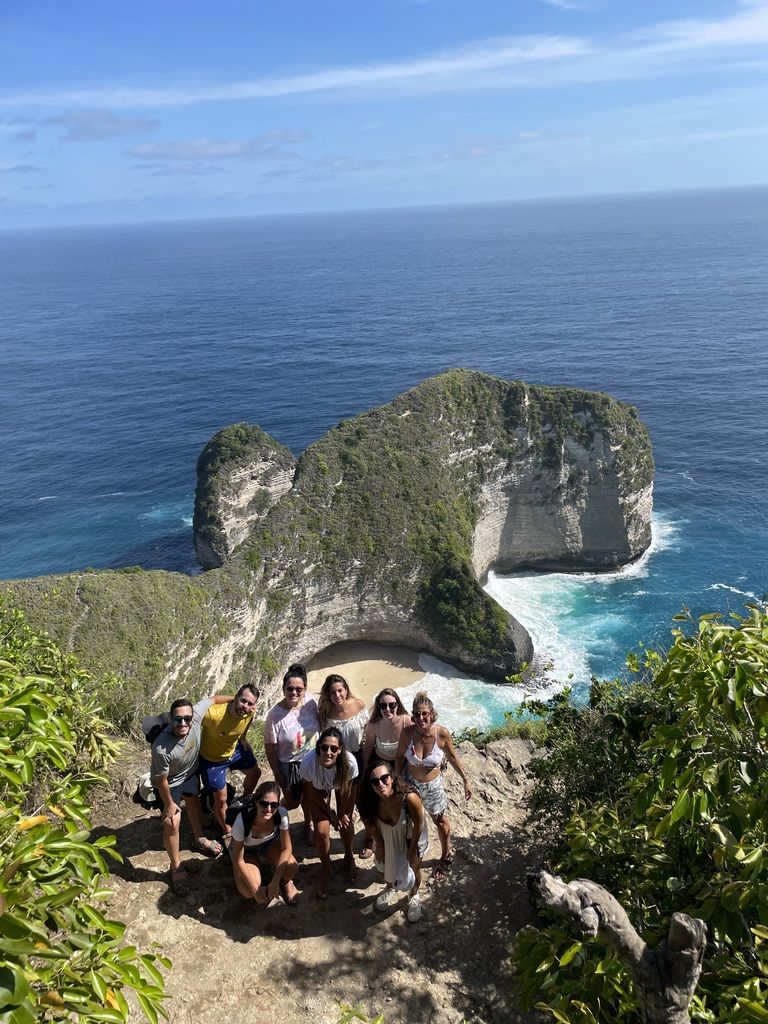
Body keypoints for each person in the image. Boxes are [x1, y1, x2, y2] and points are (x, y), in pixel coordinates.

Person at [394, 691, 472, 882]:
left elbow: (452, 757)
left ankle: (446, 856)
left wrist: (465, 780)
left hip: (432, 787)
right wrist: (397, 779)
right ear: (413, 715)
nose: (421, 718)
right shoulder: (407, 733)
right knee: (410, 821)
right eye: (417, 714)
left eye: (425, 714)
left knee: (440, 821)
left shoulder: (441, 733)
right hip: (410, 783)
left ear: (432, 714)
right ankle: (412, 854)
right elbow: (399, 757)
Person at [150, 696, 224, 894]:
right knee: (171, 822)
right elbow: (161, 780)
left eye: (187, 719)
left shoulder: (196, 715)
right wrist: (169, 804)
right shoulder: (161, 747)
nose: (183, 723)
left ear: (193, 717)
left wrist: (239, 699)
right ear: (171, 719)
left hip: (190, 773)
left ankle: (198, 838)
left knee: (193, 802)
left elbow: (214, 699)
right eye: (177, 719)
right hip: (170, 782)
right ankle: (175, 866)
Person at [359, 758, 428, 922]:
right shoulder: (371, 801)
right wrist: (380, 845)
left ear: (392, 777)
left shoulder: (409, 798)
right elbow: (369, 821)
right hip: (387, 836)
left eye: (384, 778)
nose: (381, 784)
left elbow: (419, 824)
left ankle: (414, 895)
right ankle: (391, 887)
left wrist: (412, 851)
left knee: (413, 868)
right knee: (382, 865)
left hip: (411, 837)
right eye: (375, 781)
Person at [197, 683, 262, 844]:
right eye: (242, 700)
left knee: (255, 773)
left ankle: (243, 802)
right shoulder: (213, 715)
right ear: (236, 697)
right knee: (221, 799)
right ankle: (227, 831)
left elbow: (248, 719)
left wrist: (243, 738)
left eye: (250, 703)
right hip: (212, 760)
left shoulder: (249, 712)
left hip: (233, 750)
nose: (245, 706)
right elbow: (194, 713)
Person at [299, 726, 359, 898]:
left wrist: (341, 814)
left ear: (340, 750)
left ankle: (349, 857)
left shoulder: (350, 762)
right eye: (324, 747)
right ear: (318, 747)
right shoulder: (308, 763)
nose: (328, 752)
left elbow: (346, 791)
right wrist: (330, 814)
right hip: (318, 789)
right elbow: (312, 794)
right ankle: (325, 869)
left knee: (346, 823)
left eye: (334, 748)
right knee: (321, 832)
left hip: (343, 785)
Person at [264, 663, 320, 844]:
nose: (294, 693)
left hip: (312, 760)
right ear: (283, 689)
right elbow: (269, 746)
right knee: (293, 802)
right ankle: (272, 817)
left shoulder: (311, 703)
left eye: (299, 689)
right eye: (290, 689)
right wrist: (277, 773)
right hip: (289, 764)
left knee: (310, 796)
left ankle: (308, 825)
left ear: (305, 689)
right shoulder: (275, 715)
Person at [318, 673, 370, 856]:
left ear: (346, 690)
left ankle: (368, 839)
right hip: (334, 761)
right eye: (332, 692)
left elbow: (368, 732)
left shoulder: (359, 705)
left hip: (357, 758)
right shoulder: (325, 712)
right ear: (328, 694)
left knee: (359, 801)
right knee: (342, 806)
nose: (337, 695)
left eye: (340, 690)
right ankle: (346, 846)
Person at [229, 780, 300, 907]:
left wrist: (276, 880)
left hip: (270, 844)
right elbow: (238, 860)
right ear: (256, 802)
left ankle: (286, 882)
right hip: (247, 850)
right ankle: (259, 885)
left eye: (274, 805)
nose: (269, 809)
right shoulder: (242, 822)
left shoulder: (281, 814)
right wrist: (255, 891)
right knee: (247, 891)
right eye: (264, 804)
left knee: (292, 868)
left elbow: (287, 848)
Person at [360, 687, 412, 859]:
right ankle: (370, 838)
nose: (387, 709)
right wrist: (364, 774)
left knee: (401, 802)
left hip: (401, 766)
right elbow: (367, 749)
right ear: (378, 707)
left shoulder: (406, 721)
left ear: (398, 704)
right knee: (372, 802)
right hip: (379, 764)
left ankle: (403, 835)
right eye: (383, 706)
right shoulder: (374, 724)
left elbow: (419, 738)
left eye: (392, 705)